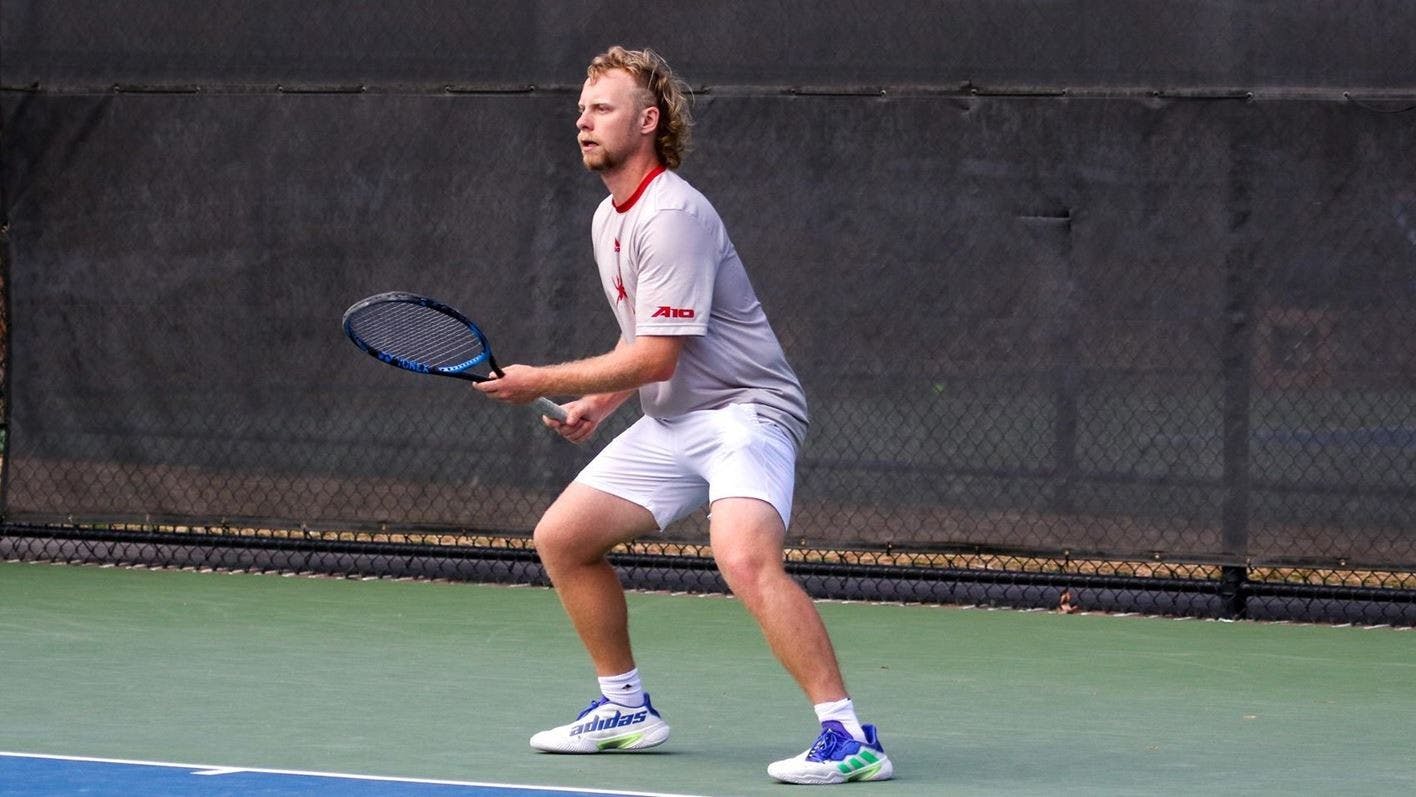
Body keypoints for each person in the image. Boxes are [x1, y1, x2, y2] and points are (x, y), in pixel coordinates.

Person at [474, 45, 893, 785]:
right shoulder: (610, 218)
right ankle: (625, 708)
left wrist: (541, 376)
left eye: (601, 108)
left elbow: (659, 357)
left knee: (743, 558)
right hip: (676, 422)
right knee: (563, 539)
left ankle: (849, 734)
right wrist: (596, 404)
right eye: (580, 108)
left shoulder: (673, 214)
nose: (582, 121)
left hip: (745, 412)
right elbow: (641, 340)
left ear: (648, 120)